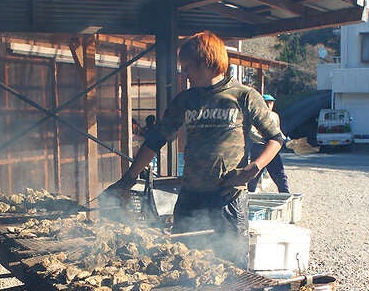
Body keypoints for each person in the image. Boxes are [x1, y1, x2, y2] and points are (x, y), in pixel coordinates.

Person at [104, 31, 289, 266]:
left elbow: (276, 138)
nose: (185, 74)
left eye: (188, 67)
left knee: (232, 269)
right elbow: (155, 140)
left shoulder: (244, 96)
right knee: (182, 264)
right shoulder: (185, 100)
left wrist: (254, 167)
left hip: (228, 199)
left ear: (207, 62)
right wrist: (129, 178)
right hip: (191, 196)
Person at [246, 94, 290, 193]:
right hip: (259, 146)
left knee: (279, 172)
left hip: (273, 147)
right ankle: (249, 193)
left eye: (271, 102)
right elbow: (251, 132)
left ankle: (285, 193)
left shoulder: (275, 116)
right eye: (266, 102)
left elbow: (277, 130)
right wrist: (264, 139)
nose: (269, 104)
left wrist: (285, 140)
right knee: (255, 171)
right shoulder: (255, 115)